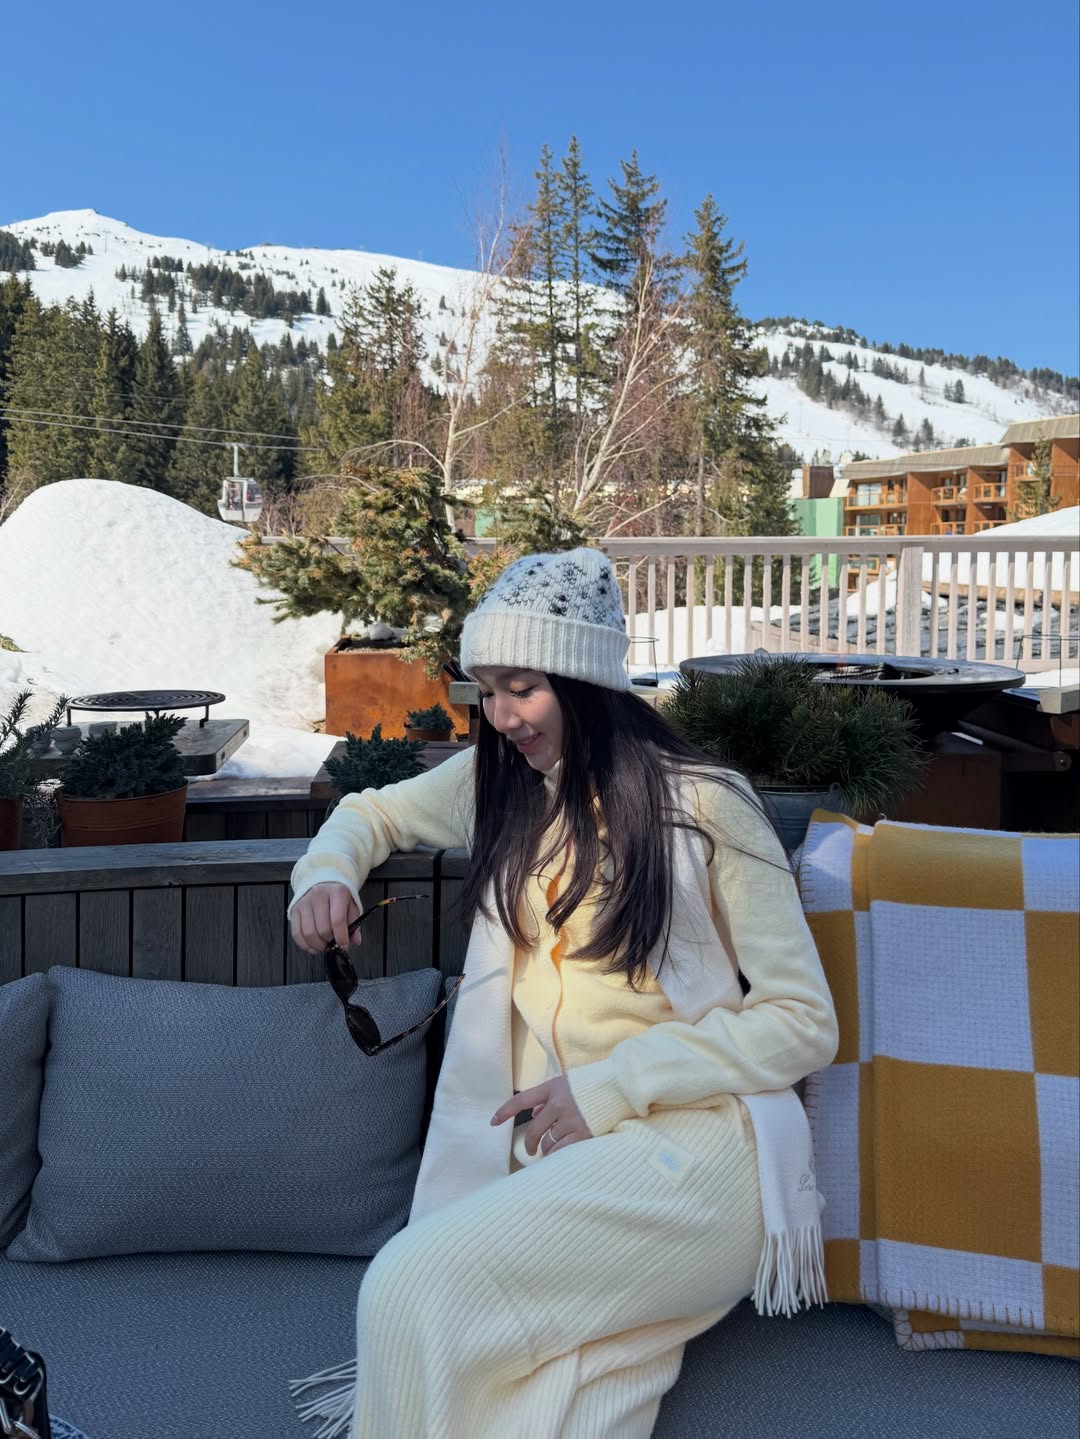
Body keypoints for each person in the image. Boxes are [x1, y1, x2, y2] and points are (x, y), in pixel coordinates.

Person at [288, 547, 838, 1439]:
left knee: (406, 1284)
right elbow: (373, 811)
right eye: (487, 691)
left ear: (585, 683)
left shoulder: (706, 805)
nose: (501, 716)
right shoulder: (504, 786)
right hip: (568, 1155)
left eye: (523, 688)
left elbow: (804, 1022)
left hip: (699, 1147)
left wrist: (610, 1084)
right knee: (559, 1387)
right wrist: (326, 876)